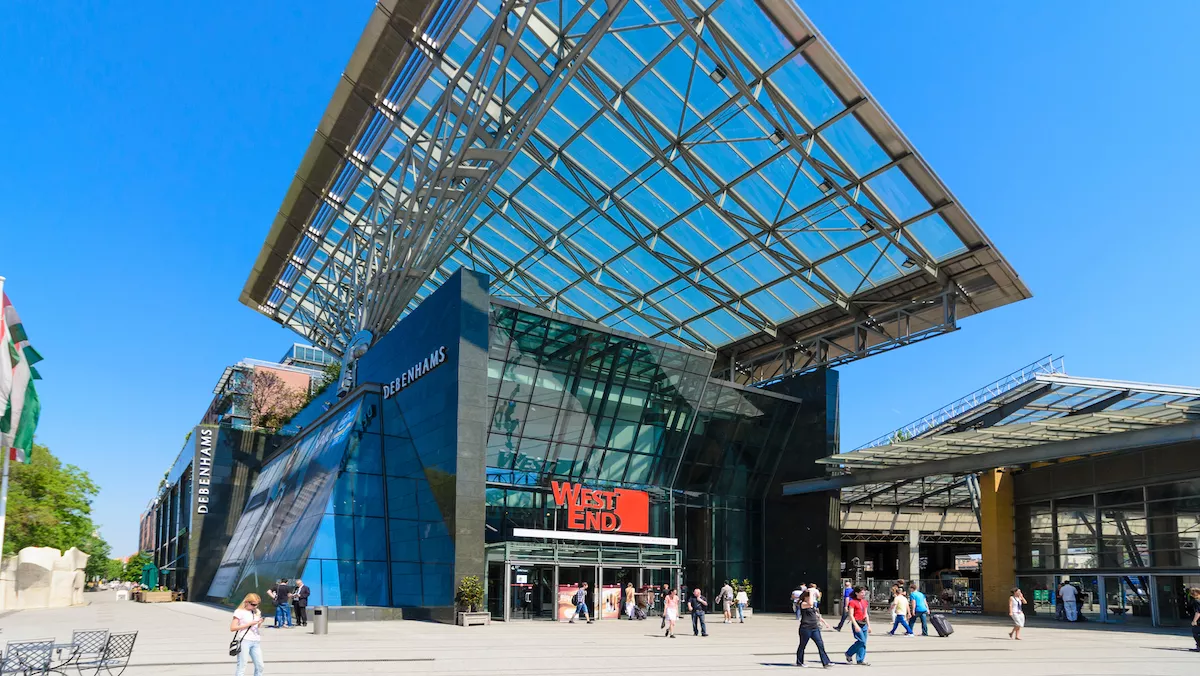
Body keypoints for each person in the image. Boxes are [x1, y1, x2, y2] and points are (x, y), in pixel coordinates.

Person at [230, 593, 266, 676]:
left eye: (257, 604)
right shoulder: (239, 612)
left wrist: (259, 622)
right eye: (253, 604)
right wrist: (249, 624)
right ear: (246, 602)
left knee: (260, 666)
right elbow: (233, 628)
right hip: (244, 640)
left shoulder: (257, 612)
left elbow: (257, 627)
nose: (255, 606)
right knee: (242, 666)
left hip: (256, 640)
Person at [797, 590, 833, 668]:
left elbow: (817, 615)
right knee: (802, 645)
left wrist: (825, 622)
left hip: (814, 628)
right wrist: (811, 593)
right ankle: (799, 661)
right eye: (810, 596)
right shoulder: (803, 604)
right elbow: (810, 603)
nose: (812, 598)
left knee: (820, 645)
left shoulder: (812, 606)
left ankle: (826, 662)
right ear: (805, 597)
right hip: (805, 628)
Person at [844, 586, 871, 666]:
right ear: (856, 593)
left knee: (863, 643)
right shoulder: (852, 602)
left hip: (864, 623)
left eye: (864, 592)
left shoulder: (865, 602)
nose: (863, 594)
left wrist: (869, 625)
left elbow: (866, 614)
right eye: (862, 592)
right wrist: (856, 625)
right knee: (861, 641)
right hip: (857, 623)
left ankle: (860, 660)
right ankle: (849, 653)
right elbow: (851, 615)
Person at [1186, 587, 1200, 652]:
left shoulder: (1196, 601)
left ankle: (1199, 647)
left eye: (1191, 593)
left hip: (1198, 621)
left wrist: (1194, 620)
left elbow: (1198, 612)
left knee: (1196, 634)